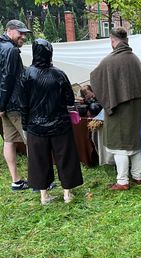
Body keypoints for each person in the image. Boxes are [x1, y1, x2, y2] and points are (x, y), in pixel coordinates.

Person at [21, 39, 83, 205]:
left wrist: (25, 125)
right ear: (50, 53)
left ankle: (44, 195)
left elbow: (23, 104)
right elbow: (70, 100)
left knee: (39, 160)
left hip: (36, 126)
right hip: (60, 124)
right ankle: (67, 193)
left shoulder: (26, 75)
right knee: (65, 157)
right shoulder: (59, 74)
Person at [90, 27, 141, 190]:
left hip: (118, 109)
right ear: (126, 40)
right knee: (135, 142)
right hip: (136, 109)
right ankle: (137, 176)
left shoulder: (109, 60)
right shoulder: (135, 59)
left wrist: (110, 97)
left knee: (119, 145)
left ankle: (122, 181)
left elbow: (95, 78)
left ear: (113, 41)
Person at [0, 20, 31, 191]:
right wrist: (2, 105)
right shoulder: (10, 50)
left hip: (5, 105)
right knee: (32, 141)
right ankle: (38, 180)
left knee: (9, 141)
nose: (23, 37)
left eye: (25, 33)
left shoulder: (1, 46)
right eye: (21, 33)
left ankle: (16, 181)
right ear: (10, 31)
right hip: (14, 105)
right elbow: (8, 79)